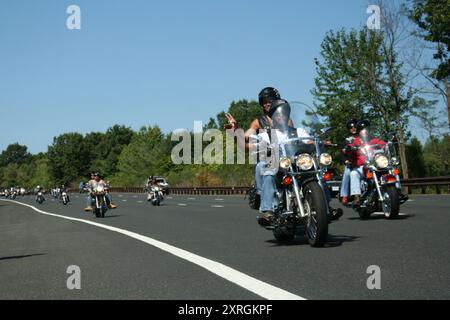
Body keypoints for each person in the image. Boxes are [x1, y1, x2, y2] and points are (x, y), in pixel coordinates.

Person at [346, 120, 386, 206]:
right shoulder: (356, 141)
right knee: (353, 173)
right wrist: (350, 148)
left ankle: (397, 190)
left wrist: (387, 145)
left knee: (392, 168)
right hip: (362, 166)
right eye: (363, 130)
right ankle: (356, 196)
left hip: (375, 165)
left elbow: (383, 144)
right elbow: (350, 147)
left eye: (367, 129)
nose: (365, 131)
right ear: (359, 131)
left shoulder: (374, 140)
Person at [340, 118, 359, 205]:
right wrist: (346, 161)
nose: (353, 128)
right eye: (351, 127)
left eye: (355, 126)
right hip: (352, 162)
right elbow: (343, 153)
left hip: (364, 161)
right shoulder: (347, 140)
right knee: (347, 173)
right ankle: (344, 195)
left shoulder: (363, 136)